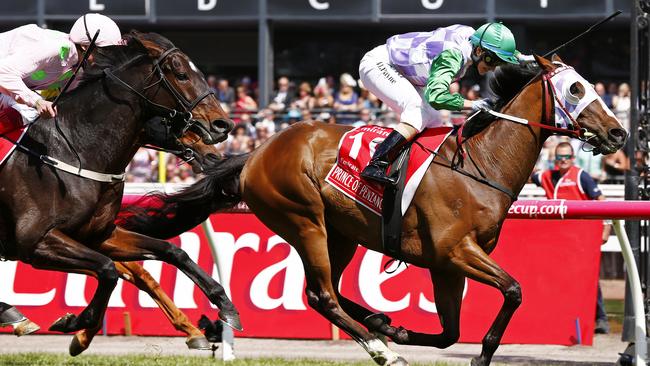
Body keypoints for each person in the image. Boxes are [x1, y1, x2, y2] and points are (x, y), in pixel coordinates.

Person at [358, 22, 522, 184]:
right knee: (416, 111)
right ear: (479, 51)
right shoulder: (452, 56)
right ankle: (376, 164)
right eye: (492, 62)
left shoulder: (475, 38)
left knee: (436, 122)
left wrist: (522, 58)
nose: (493, 69)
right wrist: (472, 104)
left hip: (405, 72)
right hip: (380, 64)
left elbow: (500, 48)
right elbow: (436, 97)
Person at [532, 142, 612, 334]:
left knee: (588, 277)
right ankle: (560, 317)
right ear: (555, 159)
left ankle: (600, 319)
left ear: (573, 158)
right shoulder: (547, 176)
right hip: (558, 238)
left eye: (567, 157)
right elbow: (528, 172)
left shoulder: (581, 176)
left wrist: (606, 229)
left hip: (582, 237)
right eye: (559, 157)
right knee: (556, 277)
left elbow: (602, 203)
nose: (563, 160)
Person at [0, 13, 122, 134]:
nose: (105, 60)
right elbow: (3, 73)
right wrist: (37, 101)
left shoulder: (77, 65)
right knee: (29, 111)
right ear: (85, 46)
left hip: (4, 89)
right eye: (103, 52)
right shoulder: (54, 47)